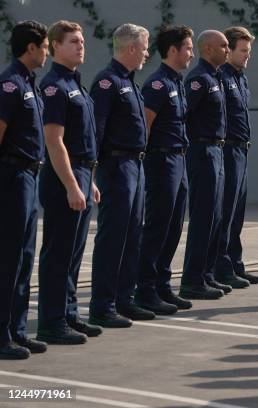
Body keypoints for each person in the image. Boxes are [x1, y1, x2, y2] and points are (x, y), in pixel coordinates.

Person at [36, 20, 102, 344]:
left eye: (82, 42)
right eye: (73, 42)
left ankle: (69, 313)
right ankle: (51, 321)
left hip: (81, 173)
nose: (81, 46)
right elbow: (54, 141)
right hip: (65, 176)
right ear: (56, 46)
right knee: (59, 253)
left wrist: (88, 181)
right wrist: (72, 185)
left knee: (74, 253)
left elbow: (82, 142)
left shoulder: (76, 84)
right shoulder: (54, 87)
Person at [89, 23, 152, 327]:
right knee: (113, 236)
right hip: (116, 167)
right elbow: (96, 131)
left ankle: (125, 299)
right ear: (130, 48)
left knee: (132, 235)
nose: (147, 53)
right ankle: (103, 305)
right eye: (144, 47)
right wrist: (91, 172)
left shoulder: (130, 81)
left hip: (135, 166)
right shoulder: (107, 82)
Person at [135, 25, 195, 314]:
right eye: (188, 47)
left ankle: (162, 285)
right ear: (173, 50)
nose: (191, 53)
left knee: (173, 227)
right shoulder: (157, 84)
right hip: (161, 161)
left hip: (179, 160)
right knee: (158, 226)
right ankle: (145, 289)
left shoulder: (176, 82)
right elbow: (144, 126)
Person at [0, 20, 48, 360]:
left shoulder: (29, 82)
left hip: (29, 177)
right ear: (30, 48)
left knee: (25, 257)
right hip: (12, 176)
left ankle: (17, 330)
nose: (46, 51)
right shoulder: (10, 84)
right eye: (45, 46)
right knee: (9, 259)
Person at [180, 30, 231, 300]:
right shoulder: (199, 79)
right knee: (203, 217)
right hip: (202, 150)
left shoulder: (216, 77)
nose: (227, 49)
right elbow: (184, 114)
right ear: (208, 49)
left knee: (216, 217)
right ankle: (192, 280)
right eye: (223, 45)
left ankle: (206, 274)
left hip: (217, 150)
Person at [215, 26, 258, 288]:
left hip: (242, 150)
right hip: (228, 149)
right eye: (243, 50)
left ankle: (235, 263)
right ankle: (221, 267)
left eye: (249, 50)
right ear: (228, 50)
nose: (247, 56)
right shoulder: (220, 77)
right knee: (226, 211)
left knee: (238, 212)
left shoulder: (240, 78)